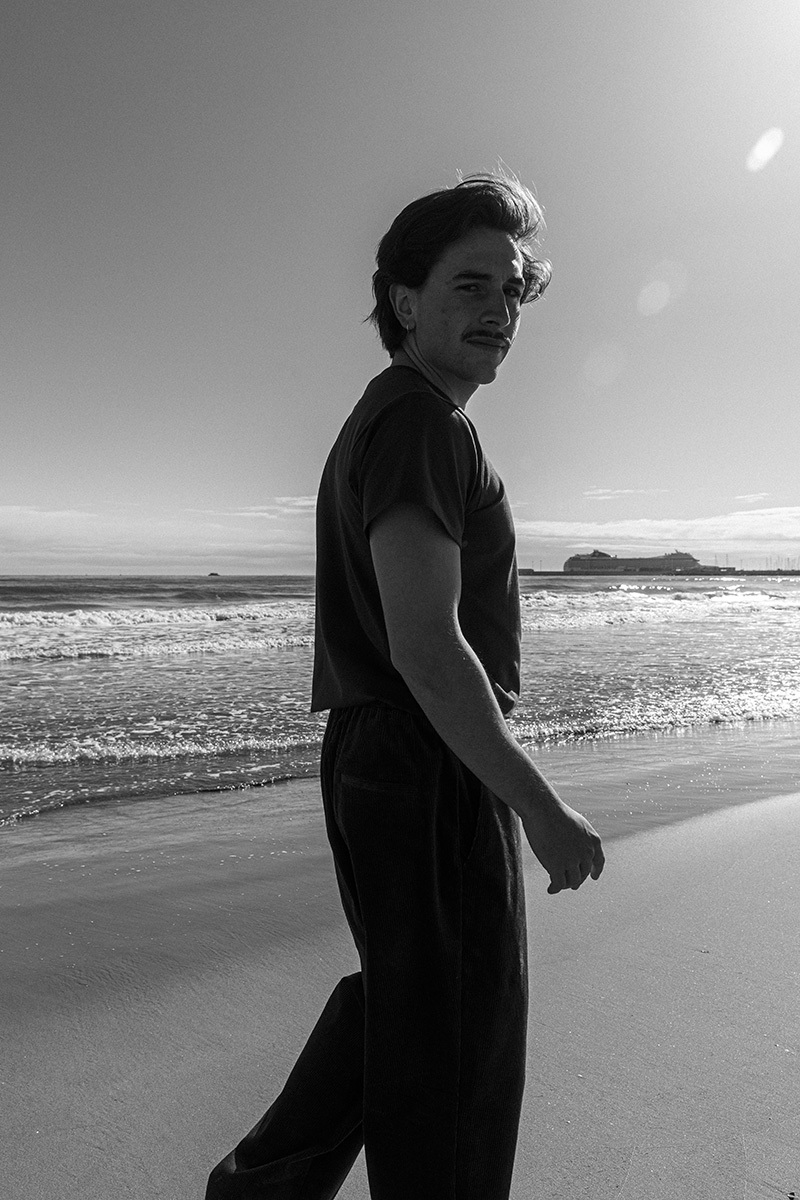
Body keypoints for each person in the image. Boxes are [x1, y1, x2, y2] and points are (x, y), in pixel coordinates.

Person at [206, 171, 604, 1200]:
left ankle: (257, 1189)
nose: (498, 311)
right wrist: (541, 808)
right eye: (469, 285)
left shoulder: (399, 417)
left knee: (416, 1013)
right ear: (404, 300)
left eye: (512, 291)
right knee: (458, 1048)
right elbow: (426, 647)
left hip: (390, 759)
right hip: (421, 759)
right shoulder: (422, 420)